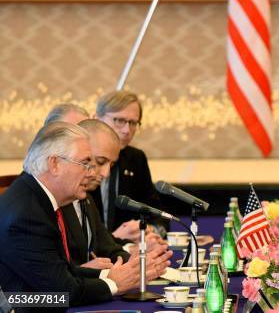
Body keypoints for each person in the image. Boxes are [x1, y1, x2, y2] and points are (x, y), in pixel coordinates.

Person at [0, 122, 169, 306]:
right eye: (85, 163)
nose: (91, 173)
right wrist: (115, 284)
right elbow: (62, 294)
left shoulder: (34, 196)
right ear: (55, 164)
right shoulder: (27, 215)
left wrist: (108, 274)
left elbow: (61, 270)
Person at [64, 119, 166, 266]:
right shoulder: (38, 201)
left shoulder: (84, 198)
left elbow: (104, 245)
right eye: (100, 162)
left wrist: (137, 255)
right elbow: (53, 280)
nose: (106, 173)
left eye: (111, 165)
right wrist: (85, 271)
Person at [92, 91, 167, 241]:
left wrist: (149, 230)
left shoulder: (136, 159)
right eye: (119, 120)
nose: (127, 130)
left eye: (133, 123)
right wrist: (114, 238)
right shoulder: (80, 160)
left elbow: (158, 215)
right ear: (96, 119)